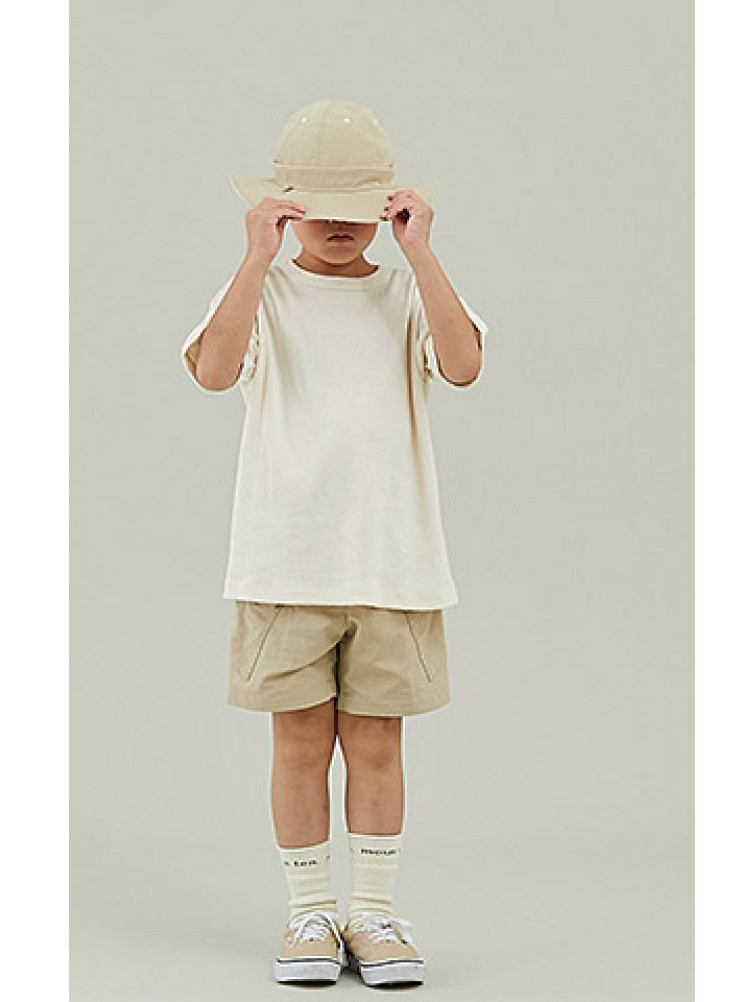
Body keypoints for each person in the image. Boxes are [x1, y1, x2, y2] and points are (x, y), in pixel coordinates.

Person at [179, 98, 489, 987]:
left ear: (388, 207)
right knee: (299, 744)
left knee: (380, 743)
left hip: (393, 563)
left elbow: (463, 364)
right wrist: (254, 258)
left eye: (357, 209)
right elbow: (213, 372)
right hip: (286, 561)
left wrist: (422, 254)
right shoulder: (265, 294)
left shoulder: (406, 293)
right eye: (318, 207)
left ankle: (375, 913)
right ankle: (310, 910)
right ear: (283, 206)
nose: (339, 225)